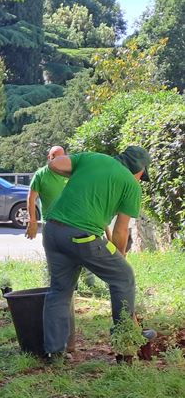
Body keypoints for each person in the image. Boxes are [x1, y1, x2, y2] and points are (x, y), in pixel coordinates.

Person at [42, 145, 153, 360]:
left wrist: (78, 174)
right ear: (139, 169)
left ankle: (54, 353)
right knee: (123, 277)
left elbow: (54, 163)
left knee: (59, 290)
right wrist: (120, 257)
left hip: (52, 231)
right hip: (81, 236)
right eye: (142, 175)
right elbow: (121, 230)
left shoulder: (92, 158)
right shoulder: (131, 184)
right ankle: (126, 345)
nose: (140, 179)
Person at [26, 146, 76, 353]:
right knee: (59, 278)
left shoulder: (72, 172)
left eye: (62, 156)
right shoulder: (41, 175)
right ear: (49, 159)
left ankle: (76, 287)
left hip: (75, 225)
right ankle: (59, 345)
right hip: (52, 226)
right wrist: (32, 221)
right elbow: (31, 198)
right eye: (55, 157)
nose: (59, 159)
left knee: (75, 271)